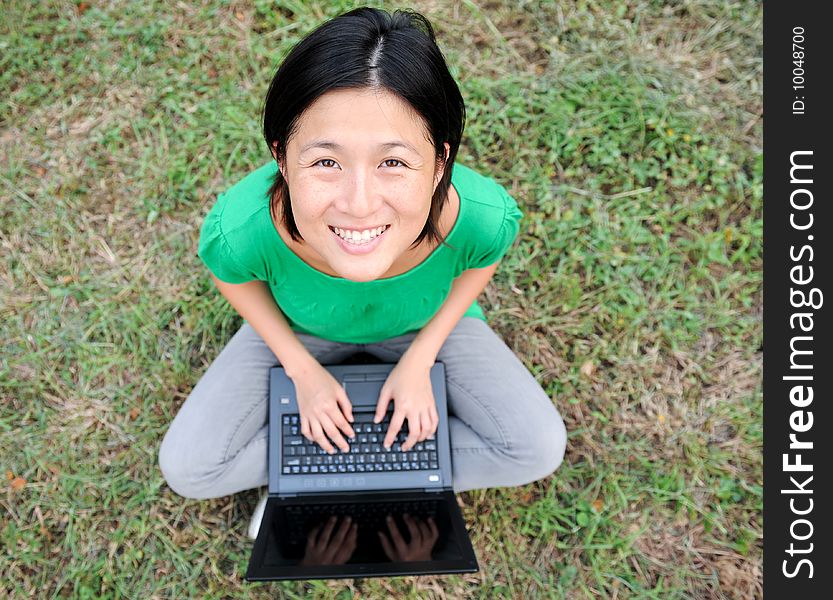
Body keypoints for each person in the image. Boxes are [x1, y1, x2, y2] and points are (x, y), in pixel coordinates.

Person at [158, 6, 567, 539]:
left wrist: (421, 359)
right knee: (190, 468)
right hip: (302, 326)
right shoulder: (242, 229)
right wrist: (301, 371)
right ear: (282, 157)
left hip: (423, 325)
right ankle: (343, 471)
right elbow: (232, 278)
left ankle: (340, 473)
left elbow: (481, 264)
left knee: (536, 448)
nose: (358, 204)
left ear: (440, 162)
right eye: (326, 161)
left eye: (392, 162)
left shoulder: (481, 217)